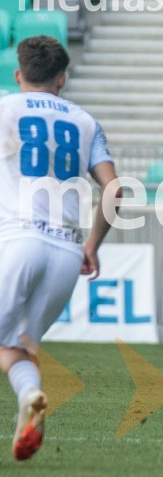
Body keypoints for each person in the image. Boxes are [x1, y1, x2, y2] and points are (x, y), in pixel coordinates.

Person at [0, 36, 119, 461]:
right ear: (62, 78)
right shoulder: (86, 122)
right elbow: (114, 189)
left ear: (19, 75)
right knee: (15, 347)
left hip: (17, 240)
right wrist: (92, 243)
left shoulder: (5, 108)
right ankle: (31, 395)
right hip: (67, 252)